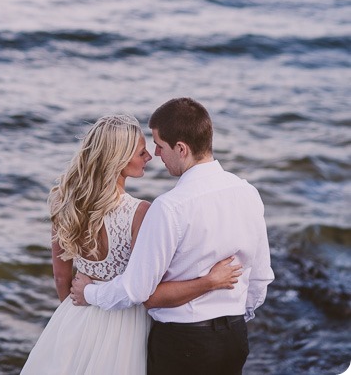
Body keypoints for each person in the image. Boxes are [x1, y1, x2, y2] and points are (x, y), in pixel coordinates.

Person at [20, 113, 242, 375]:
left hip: (75, 314)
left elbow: (60, 277)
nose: (149, 156)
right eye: (141, 152)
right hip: (126, 326)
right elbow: (146, 288)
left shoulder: (64, 202)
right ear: (118, 160)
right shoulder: (140, 212)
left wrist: (74, 317)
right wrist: (209, 281)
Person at [72, 99, 274, 375]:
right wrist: (234, 317)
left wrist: (89, 292)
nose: (155, 154)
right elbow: (260, 277)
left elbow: (137, 291)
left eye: (160, 145)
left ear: (181, 149)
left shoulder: (169, 207)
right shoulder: (248, 193)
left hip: (182, 343)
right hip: (234, 340)